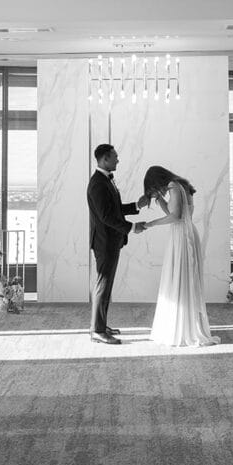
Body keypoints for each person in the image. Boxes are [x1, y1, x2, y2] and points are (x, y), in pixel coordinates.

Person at [135, 166, 219, 347]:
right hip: (184, 233)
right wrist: (159, 199)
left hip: (181, 236)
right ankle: (185, 325)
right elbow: (174, 212)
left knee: (179, 279)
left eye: (153, 187)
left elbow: (175, 217)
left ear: (157, 180)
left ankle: (181, 328)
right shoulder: (181, 185)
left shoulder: (173, 186)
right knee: (183, 280)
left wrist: (149, 224)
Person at [86, 143, 146, 345]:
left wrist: (137, 205)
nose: (118, 160)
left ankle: (101, 325)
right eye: (115, 157)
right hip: (105, 242)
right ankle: (97, 330)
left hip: (111, 241)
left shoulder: (105, 180)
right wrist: (132, 227)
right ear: (105, 159)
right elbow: (106, 216)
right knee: (103, 285)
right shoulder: (98, 183)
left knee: (106, 285)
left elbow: (115, 210)